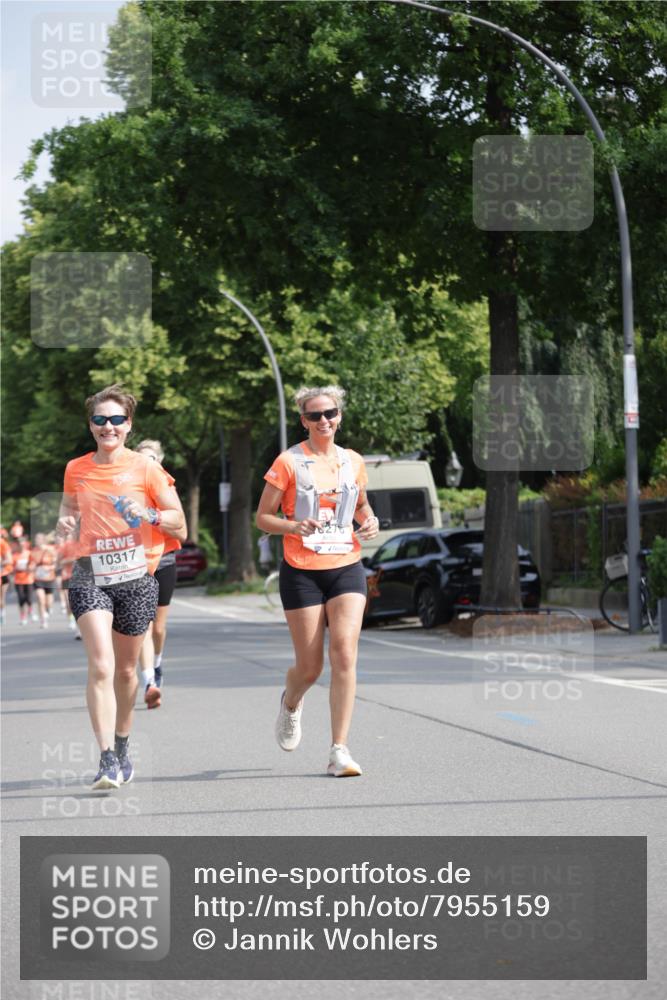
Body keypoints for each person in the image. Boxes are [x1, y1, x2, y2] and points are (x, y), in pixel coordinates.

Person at [57, 384, 186, 790]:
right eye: (100, 420)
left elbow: (178, 521)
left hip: (135, 578)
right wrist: (64, 523)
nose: (107, 426)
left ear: (128, 425)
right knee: (101, 664)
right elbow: (69, 508)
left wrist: (148, 512)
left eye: (116, 420)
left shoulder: (146, 469)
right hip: (89, 573)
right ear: (90, 424)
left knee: (127, 671)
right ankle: (106, 759)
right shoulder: (76, 468)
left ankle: (123, 744)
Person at [256, 385, 379, 777]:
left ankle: (339, 750)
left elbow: (360, 505)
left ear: (339, 415)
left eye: (329, 413)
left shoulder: (353, 461)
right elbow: (263, 517)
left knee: (345, 652)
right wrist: (293, 524)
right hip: (302, 569)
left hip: (346, 564)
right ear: (303, 420)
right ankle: (291, 703)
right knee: (310, 668)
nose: (323, 421)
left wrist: (369, 521)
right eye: (314, 416)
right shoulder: (289, 462)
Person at [135, 439, 185, 708]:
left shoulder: (167, 489)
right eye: (142, 458)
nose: (147, 463)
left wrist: (154, 516)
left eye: (152, 458)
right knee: (145, 624)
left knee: (159, 627)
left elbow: (180, 529)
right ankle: (149, 682)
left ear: (160, 460)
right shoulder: (129, 490)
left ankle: (157, 662)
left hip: (164, 560)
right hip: (137, 564)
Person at [33, 533, 58, 627]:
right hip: (38, 578)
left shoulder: (50, 550)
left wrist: (50, 567)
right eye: (36, 539)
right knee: (40, 598)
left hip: (49, 577)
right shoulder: (34, 551)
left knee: (48, 602)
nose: (36, 540)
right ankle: (43, 620)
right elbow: (31, 563)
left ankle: (47, 609)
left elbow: (57, 563)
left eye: (38, 539)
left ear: (43, 540)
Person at [12, 536, 36, 625]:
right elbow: (11, 568)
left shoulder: (29, 554)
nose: (22, 546)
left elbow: (33, 564)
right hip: (18, 580)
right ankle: (23, 617)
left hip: (29, 579)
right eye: (20, 545)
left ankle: (31, 611)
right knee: (21, 599)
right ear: (18, 545)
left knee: (29, 599)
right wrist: (15, 568)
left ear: (25, 545)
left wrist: (30, 567)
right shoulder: (14, 555)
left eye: (23, 544)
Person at [1, 529, 14, 625]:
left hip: (3, 574)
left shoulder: (3, 544)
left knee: (1, 598)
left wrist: (1, 562)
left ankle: (2, 613)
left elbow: (9, 560)